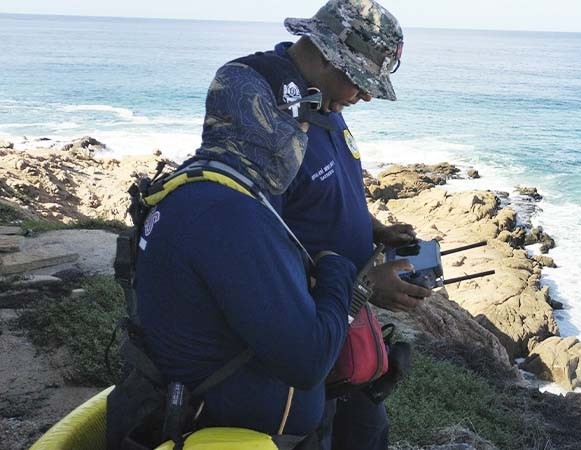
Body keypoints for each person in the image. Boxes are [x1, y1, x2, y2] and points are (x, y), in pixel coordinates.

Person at [130, 31, 358, 447]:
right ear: (267, 128)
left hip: (213, 411)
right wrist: (337, 271)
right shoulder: (229, 215)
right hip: (233, 434)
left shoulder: (200, 186)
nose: (302, 136)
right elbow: (308, 362)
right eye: (297, 124)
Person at [273, 1, 433, 449]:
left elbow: (322, 195)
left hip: (345, 319)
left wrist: (375, 230)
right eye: (361, 80)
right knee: (314, 434)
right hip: (304, 330)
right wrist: (362, 287)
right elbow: (259, 253)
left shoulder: (324, 102)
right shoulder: (272, 122)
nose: (365, 96)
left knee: (366, 431)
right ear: (327, 54)